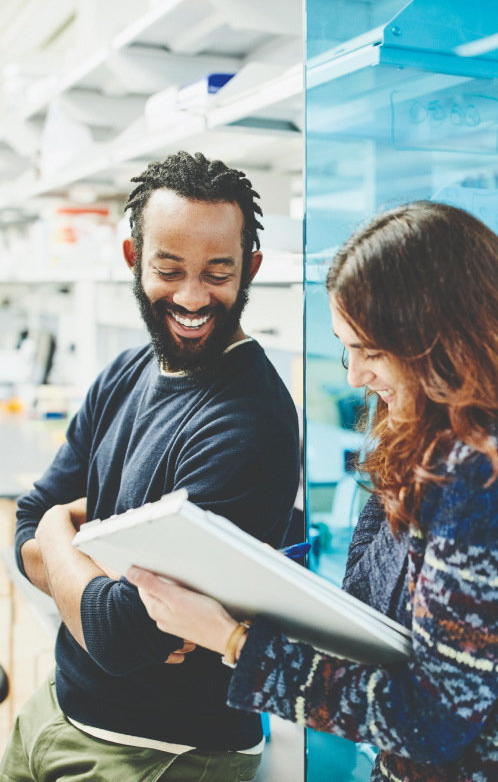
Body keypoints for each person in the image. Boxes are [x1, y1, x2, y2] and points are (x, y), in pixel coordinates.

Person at [129, 200, 498, 782]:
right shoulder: (441, 436)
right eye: (347, 346)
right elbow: (382, 627)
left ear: (451, 341)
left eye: (373, 352)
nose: (355, 375)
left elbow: (434, 720)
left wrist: (234, 639)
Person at [1, 152, 300, 782]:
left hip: (164, 754)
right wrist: (83, 576)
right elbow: (20, 528)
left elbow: (116, 637)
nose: (192, 298)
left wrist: (61, 533)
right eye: (170, 270)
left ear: (251, 268)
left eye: (218, 273)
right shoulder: (127, 373)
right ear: (134, 260)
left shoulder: (247, 422)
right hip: (56, 713)